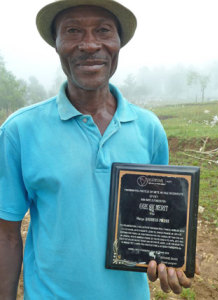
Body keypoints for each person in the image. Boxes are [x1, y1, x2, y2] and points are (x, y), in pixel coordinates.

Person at [0, 0, 198, 299]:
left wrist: (167, 257)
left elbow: (159, 221)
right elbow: (6, 236)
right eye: (73, 31)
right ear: (56, 44)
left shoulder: (148, 129)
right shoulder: (19, 130)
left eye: (103, 30)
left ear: (119, 43)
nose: (89, 44)